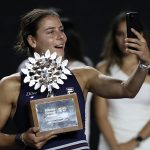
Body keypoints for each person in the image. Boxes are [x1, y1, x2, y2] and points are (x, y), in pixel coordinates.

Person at [0, 8, 150, 150]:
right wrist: (21, 139)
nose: (61, 37)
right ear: (32, 41)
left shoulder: (83, 75)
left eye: (61, 30)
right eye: (51, 32)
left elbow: (127, 89)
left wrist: (144, 63)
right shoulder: (11, 85)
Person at [93, 11, 150, 150]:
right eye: (120, 34)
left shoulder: (148, 66)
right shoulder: (104, 68)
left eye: (130, 33)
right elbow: (101, 115)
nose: (125, 39)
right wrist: (115, 147)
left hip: (145, 142)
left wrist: (135, 141)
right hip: (111, 143)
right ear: (113, 37)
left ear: (141, 35)